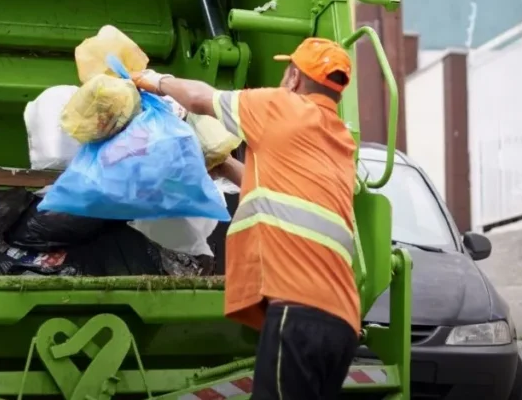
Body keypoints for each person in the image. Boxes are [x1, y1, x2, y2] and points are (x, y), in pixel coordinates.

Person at [133, 37, 360, 400]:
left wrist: (153, 79)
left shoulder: (281, 107)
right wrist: (221, 163)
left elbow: (197, 98)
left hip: (297, 312)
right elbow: (273, 188)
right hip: (341, 323)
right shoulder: (339, 140)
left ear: (294, 78)